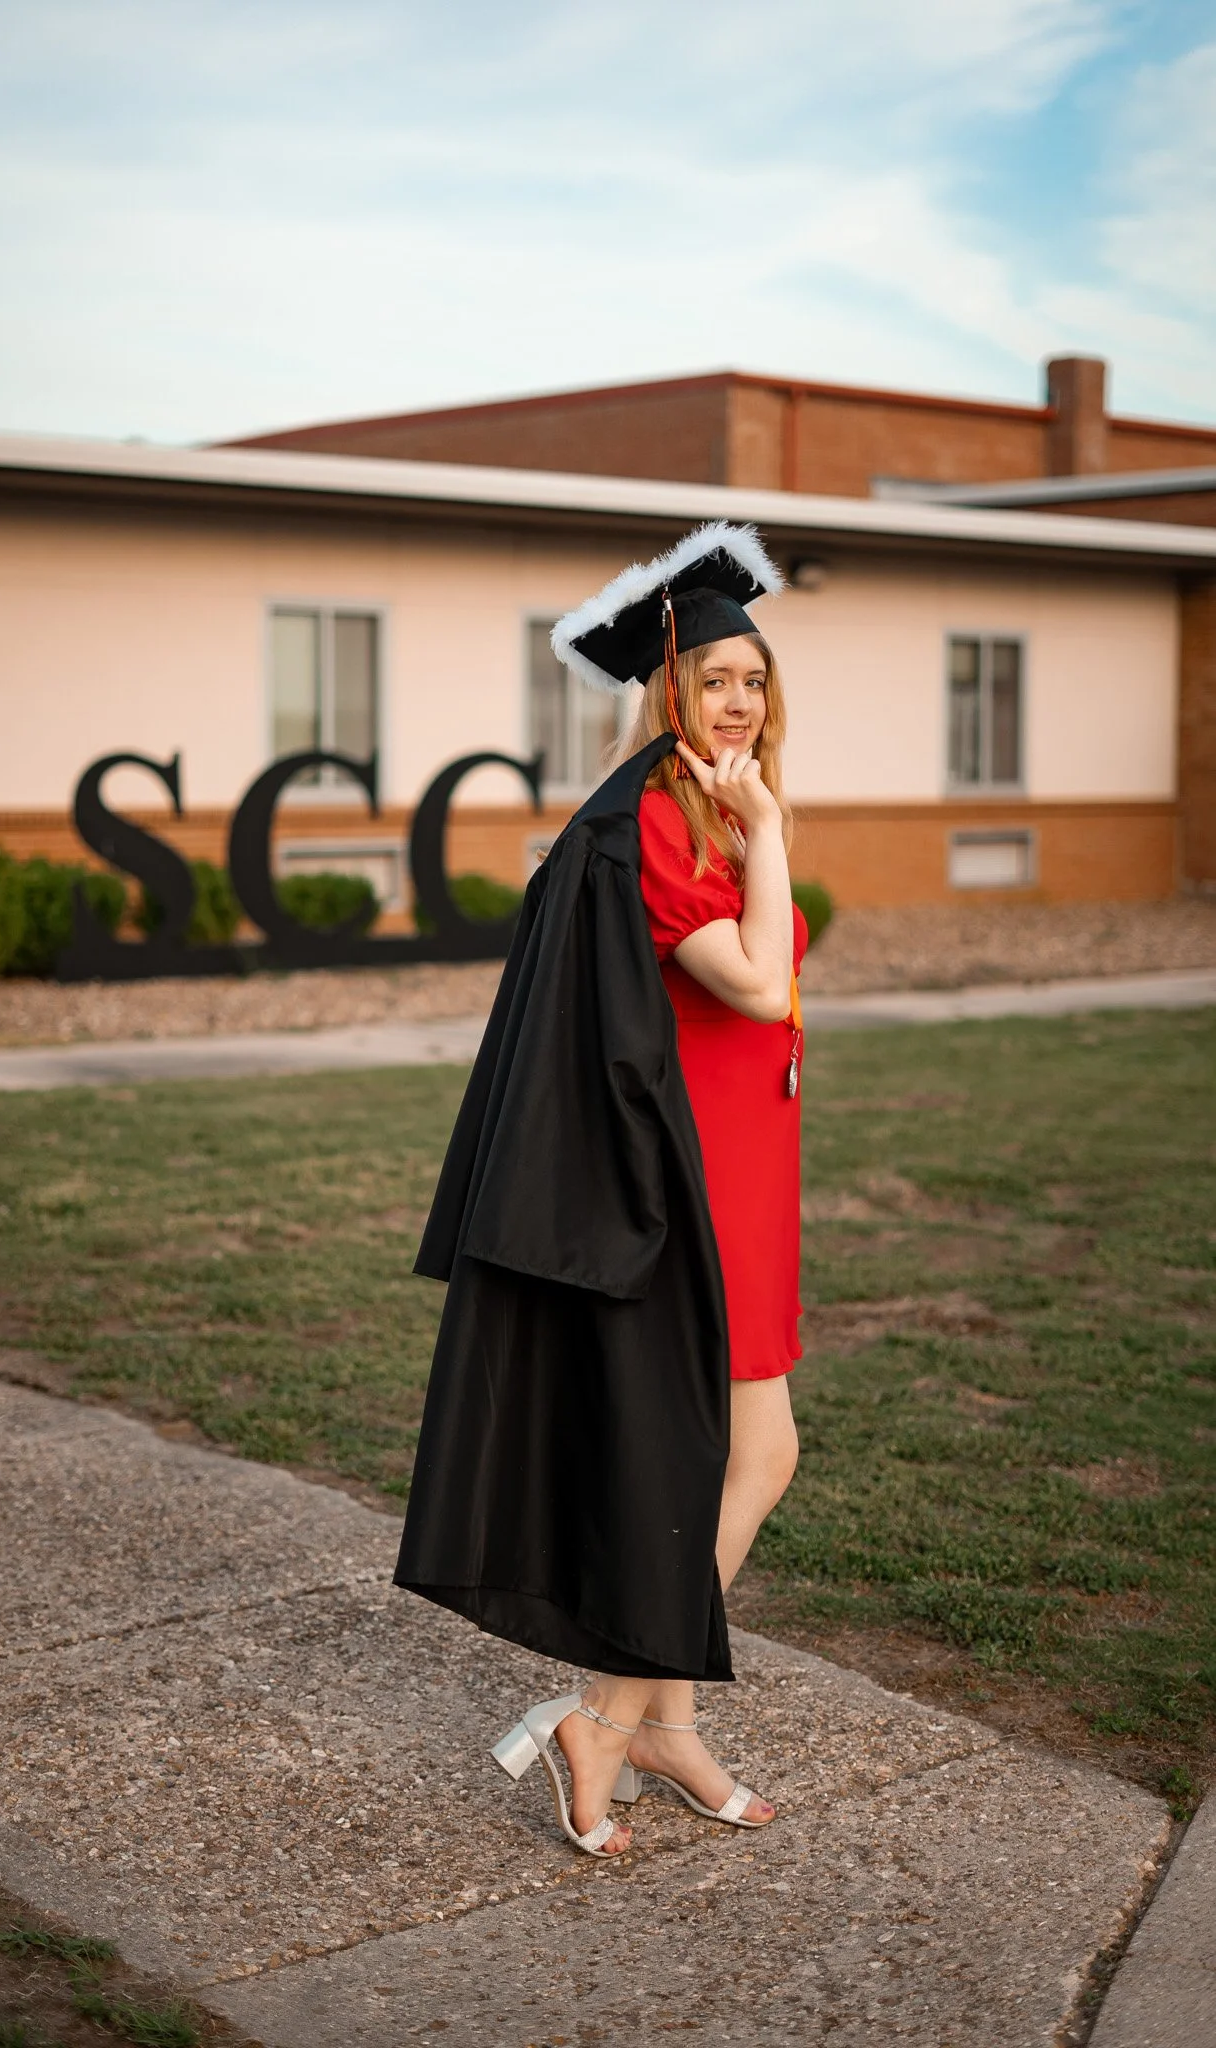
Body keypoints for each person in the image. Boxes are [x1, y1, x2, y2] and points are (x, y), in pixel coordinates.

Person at [395, 523, 804, 1859]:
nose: (735, 701)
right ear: (666, 688)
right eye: (713, 679)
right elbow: (762, 981)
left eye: (753, 679)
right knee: (751, 1450)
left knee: (736, 1450)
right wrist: (770, 830)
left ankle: (654, 1722)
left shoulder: (697, 806)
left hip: (748, 1156)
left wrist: (750, 822)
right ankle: (617, 1721)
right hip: (690, 1175)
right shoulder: (660, 821)